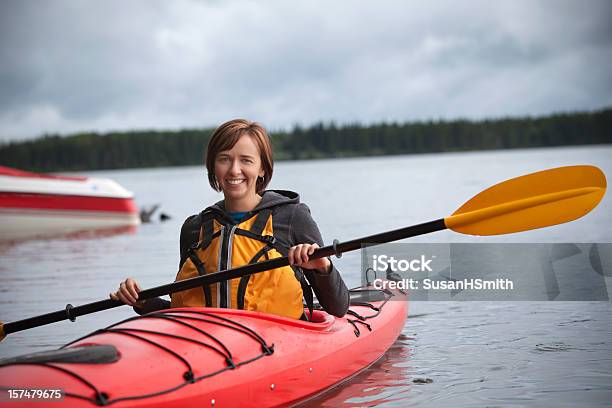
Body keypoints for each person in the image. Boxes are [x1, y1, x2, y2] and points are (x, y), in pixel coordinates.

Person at [110, 119, 349, 319]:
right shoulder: (195, 229)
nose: (234, 170)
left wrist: (322, 267)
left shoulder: (292, 218)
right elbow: (185, 310)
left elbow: (338, 307)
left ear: (262, 169)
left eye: (246, 160)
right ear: (213, 167)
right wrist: (143, 302)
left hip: (279, 345)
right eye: (225, 159)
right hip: (211, 347)